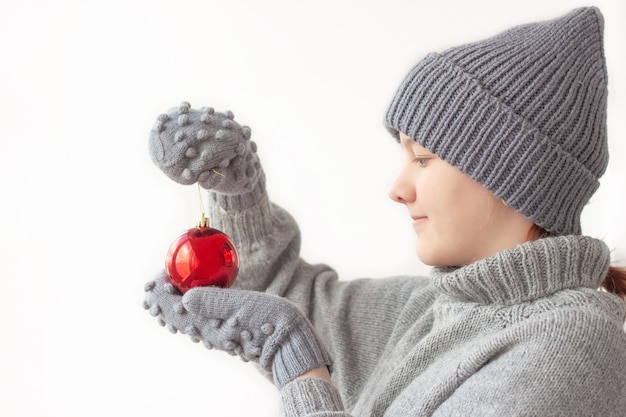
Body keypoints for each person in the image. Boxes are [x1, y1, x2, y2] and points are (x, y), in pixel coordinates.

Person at [144, 6, 626, 416]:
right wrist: (239, 194)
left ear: (510, 174)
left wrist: (298, 366)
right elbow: (291, 303)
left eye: (422, 159)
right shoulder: (441, 308)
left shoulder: (566, 347)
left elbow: (292, 330)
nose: (398, 189)